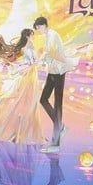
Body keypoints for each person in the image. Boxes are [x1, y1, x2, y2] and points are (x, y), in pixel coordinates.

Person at [33, 16, 77, 151]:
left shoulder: (52, 35)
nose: (39, 29)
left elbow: (52, 52)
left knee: (58, 104)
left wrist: (42, 60)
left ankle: (56, 143)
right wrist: (43, 60)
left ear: (45, 25)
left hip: (58, 71)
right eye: (37, 28)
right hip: (53, 71)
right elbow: (50, 53)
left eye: (39, 27)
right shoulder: (48, 35)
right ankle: (61, 127)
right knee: (43, 99)